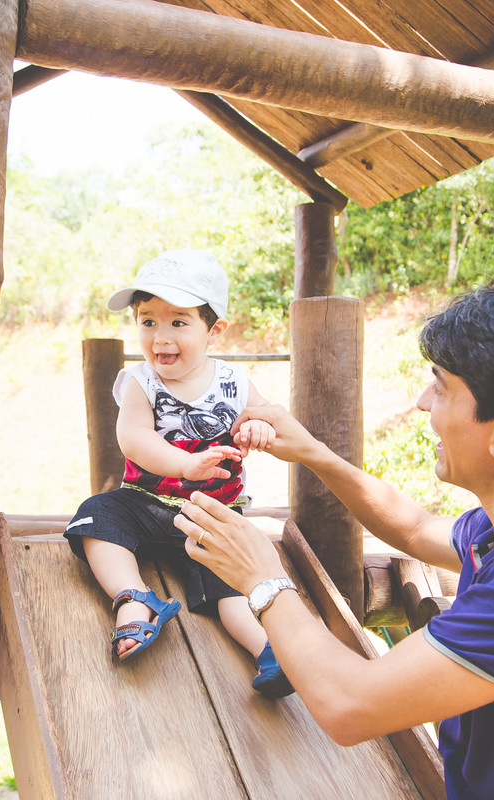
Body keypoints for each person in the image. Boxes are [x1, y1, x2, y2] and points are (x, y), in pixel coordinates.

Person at [175, 282, 494, 798]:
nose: (424, 404)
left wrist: (263, 579)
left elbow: (350, 704)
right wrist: (314, 452)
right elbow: (415, 529)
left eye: (442, 387)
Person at [64, 249, 294, 698]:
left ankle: (267, 649)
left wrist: (257, 427)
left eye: (178, 322)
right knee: (96, 515)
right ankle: (134, 600)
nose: (159, 336)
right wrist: (185, 464)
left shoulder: (234, 381)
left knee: (231, 586)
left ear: (215, 330)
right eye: (147, 321)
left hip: (214, 513)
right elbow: (133, 439)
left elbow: (264, 416)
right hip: (146, 504)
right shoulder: (140, 381)